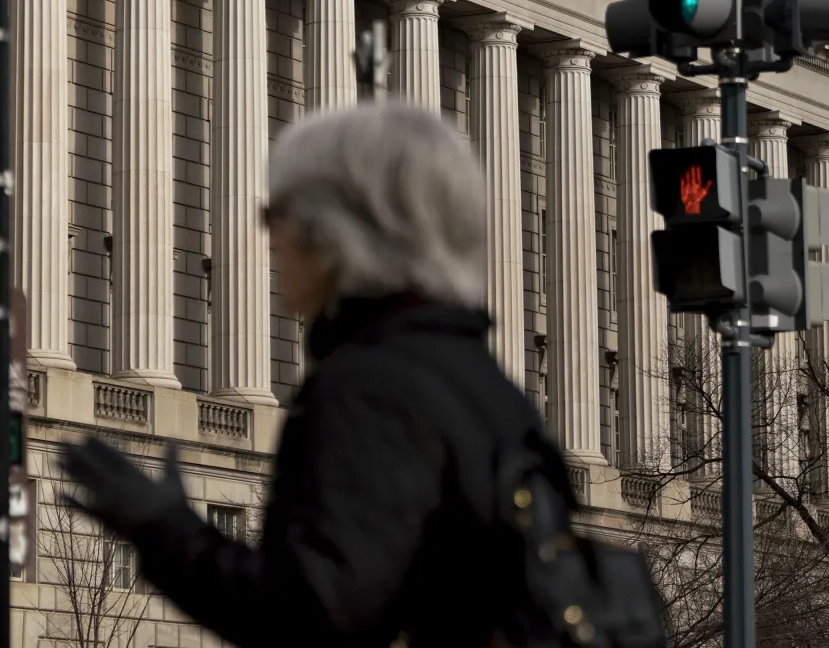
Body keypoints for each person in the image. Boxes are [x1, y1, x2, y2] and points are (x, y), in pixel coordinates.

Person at [60, 100, 550, 648]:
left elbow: (313, 616)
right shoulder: (487, 386)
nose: (270, 240)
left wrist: (163, 531)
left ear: (332, 231)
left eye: (277, 215)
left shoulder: (369, 388)